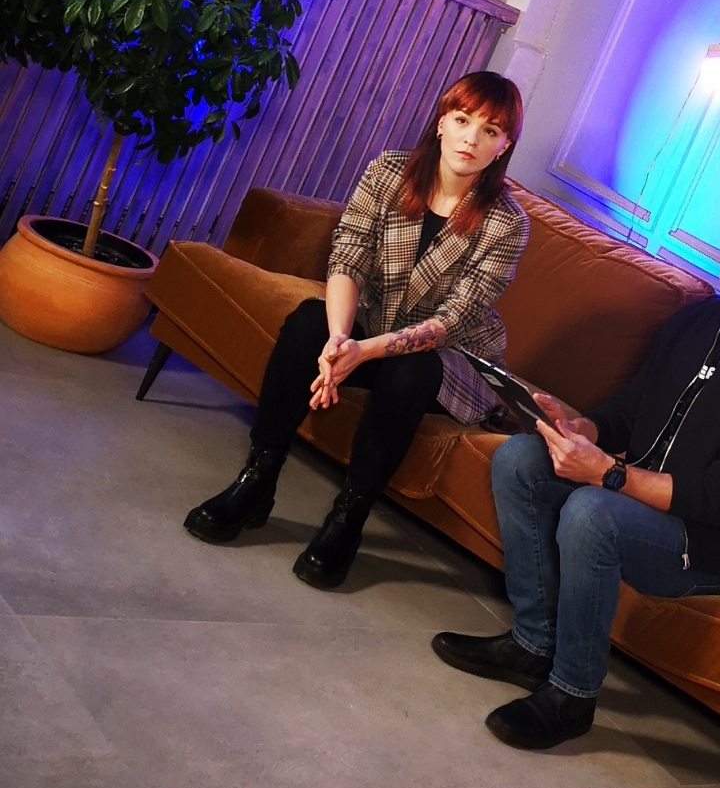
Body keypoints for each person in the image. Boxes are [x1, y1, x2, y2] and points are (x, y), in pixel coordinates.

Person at [431, 193, 720, 750]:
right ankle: (532, 643)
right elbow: (630, 409)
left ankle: (572, 694)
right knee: (519, 459)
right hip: (635, 500)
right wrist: (578, 427)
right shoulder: (694, 321)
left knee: (592, 512)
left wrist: (609, 477)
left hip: (710, 546)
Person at [183, 71, 530, 589]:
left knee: (411, 369)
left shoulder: (507, 222)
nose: (471, 139)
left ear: (505, 145)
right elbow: (347, 256)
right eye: (462, 120)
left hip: (445, 356)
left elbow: (451, 320)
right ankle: (257, 479)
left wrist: (362, 352)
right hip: (373, 321)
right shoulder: (389, 172)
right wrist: (338, 340)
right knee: (308, 321)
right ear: (441, 122)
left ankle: (348, 516)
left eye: (491, 130)